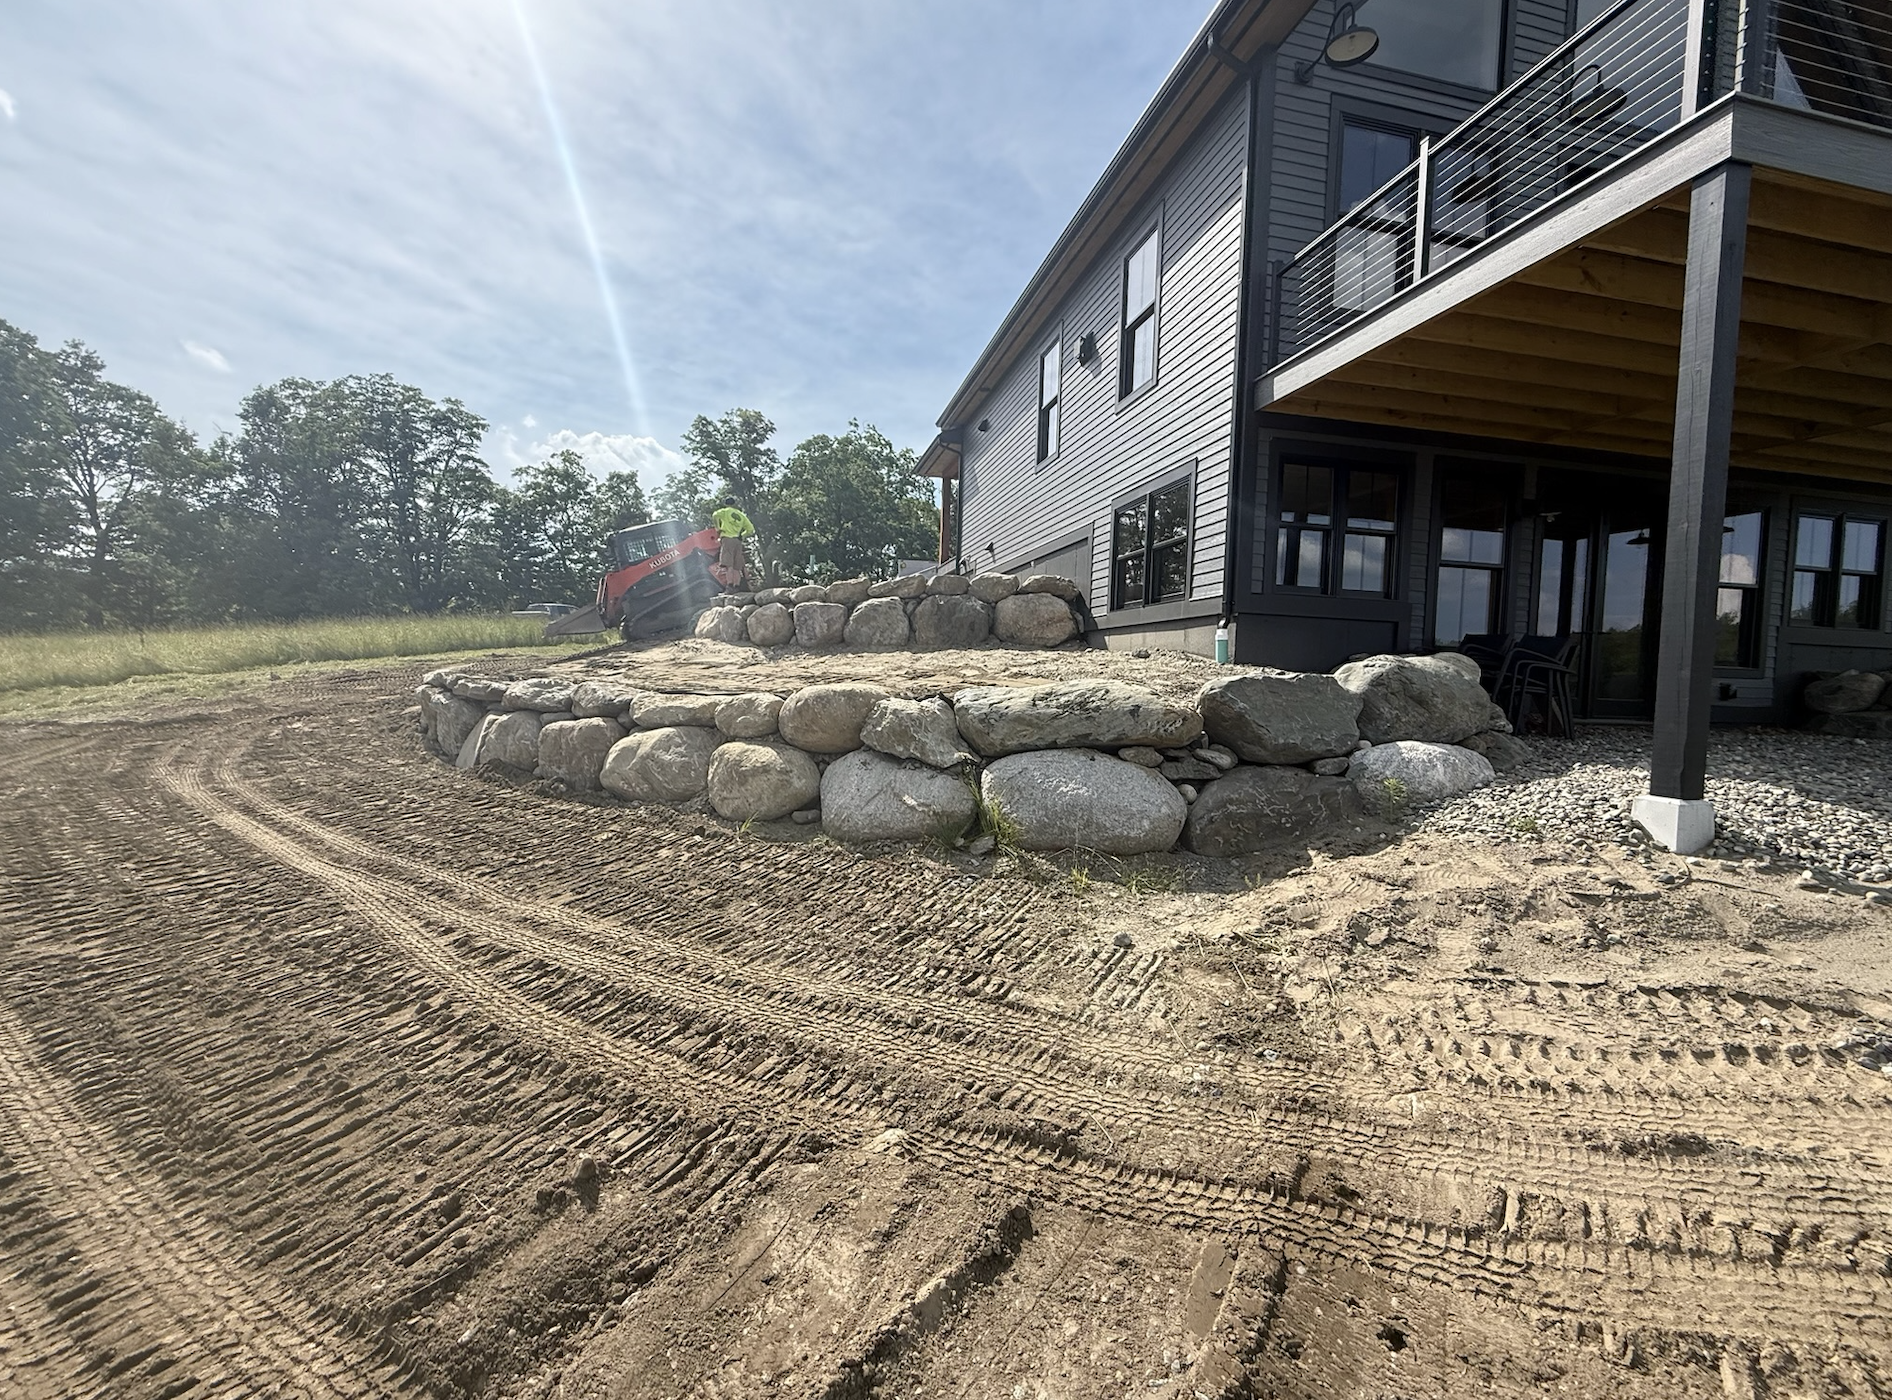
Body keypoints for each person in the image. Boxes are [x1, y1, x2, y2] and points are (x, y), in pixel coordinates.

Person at [709, 497, 756, 580]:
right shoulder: (741, 515)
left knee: (728, 565)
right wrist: (742, 535)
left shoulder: (725, 512)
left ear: (726, 504)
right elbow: (751, 529)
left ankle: (730, 585)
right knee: (737, 567)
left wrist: (718, 528)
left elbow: (715, 515)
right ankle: (736, 586)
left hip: (727, 539)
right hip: (737, 541)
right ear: (735, 504)